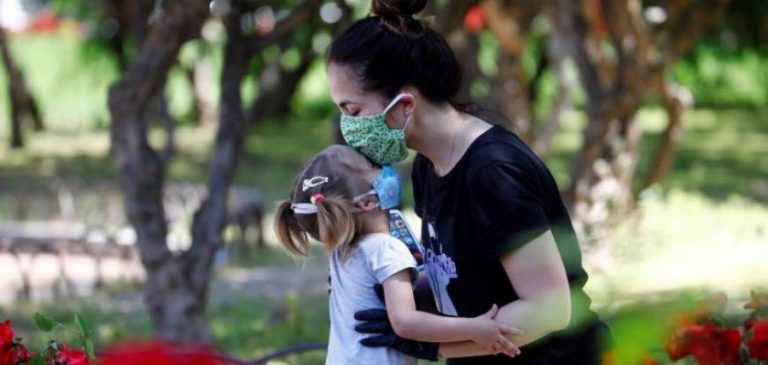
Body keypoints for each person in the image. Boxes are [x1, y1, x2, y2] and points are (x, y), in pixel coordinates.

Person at [325, 0, 612, 363]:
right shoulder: (429, 166)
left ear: (405, 103)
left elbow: (551, 308)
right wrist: (389, 287)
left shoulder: (491, 174)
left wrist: (428, 344)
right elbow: (460, 281)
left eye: (353, 111)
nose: (349, 127)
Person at [273, 145, 523, 365]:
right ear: (366, 202)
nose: (384, 169)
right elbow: (405, 323)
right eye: (372, 166)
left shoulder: (343, 251)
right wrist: (473, 328)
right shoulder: (387, 249)